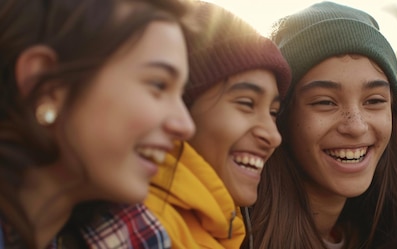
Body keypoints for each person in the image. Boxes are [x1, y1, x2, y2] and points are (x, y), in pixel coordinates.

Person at [0, 0, 195, 248]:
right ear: (48, 85)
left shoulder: (135, 237)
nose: (186, 126)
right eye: (158, 85)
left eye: (181, 94)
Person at [244, 2, 397, 248]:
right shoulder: (233, 236)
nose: (356, 126)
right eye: (325, 102)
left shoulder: (393, 234)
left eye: (374, 101)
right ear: (281, 117)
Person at [143, 2, 291, 249]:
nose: (273, 136)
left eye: (273, 112)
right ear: (178, 107)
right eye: (246, 103)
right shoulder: (149, 230)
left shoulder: (220, 226)